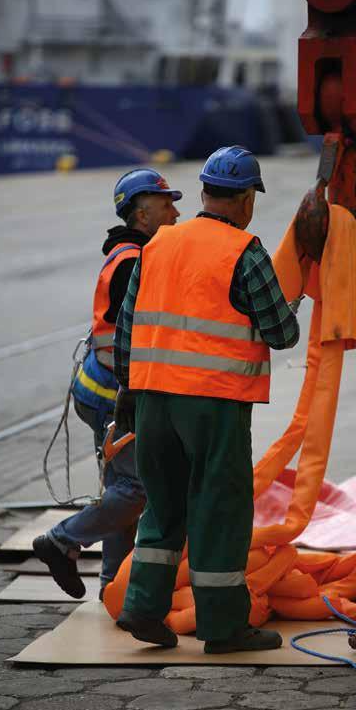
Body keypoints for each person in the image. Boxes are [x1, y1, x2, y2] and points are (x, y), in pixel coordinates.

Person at [113, 146, 300, 653]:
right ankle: (223, 627)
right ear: (244, 199)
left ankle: (143, 611)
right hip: (212, 405)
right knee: (219, 510)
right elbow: (282, 333)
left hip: (152, 401)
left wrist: (127, 400)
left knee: (163, 507)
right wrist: (295, 298)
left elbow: (126, 330)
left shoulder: (158, 245)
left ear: (202, 192)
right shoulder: (245, 250)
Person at [33, 168, 182, 600]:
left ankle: (113, 587)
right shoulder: (134, 261)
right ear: (141, 213)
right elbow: (136, 334)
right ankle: (62, 540)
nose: (174, 211)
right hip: (113, 396)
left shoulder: (129, 254)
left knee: (126, 490)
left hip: (103, 392)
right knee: (136, 490)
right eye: (165, 204)